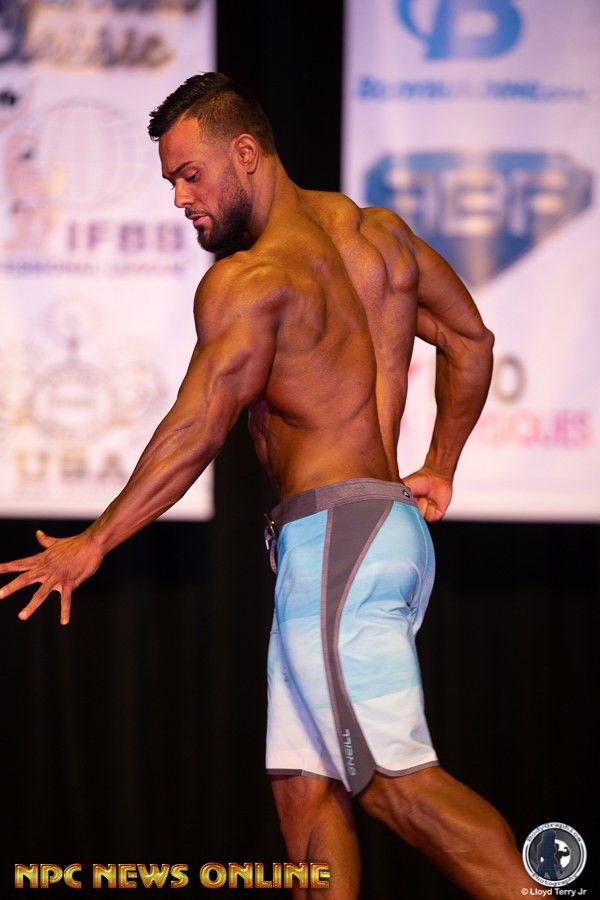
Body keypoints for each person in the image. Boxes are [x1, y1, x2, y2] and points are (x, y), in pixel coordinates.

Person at [0, 73, 537, 898]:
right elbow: (471, 340)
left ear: (245, 153)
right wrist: (440, 465)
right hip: (376, 535)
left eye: (190, 175)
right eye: (171, 182)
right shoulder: (379, 238)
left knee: (398, 787)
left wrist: (94, 542)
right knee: (304, 793)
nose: (180, 199)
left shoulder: (252, 281)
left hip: (336, 546)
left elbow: (198, 426)